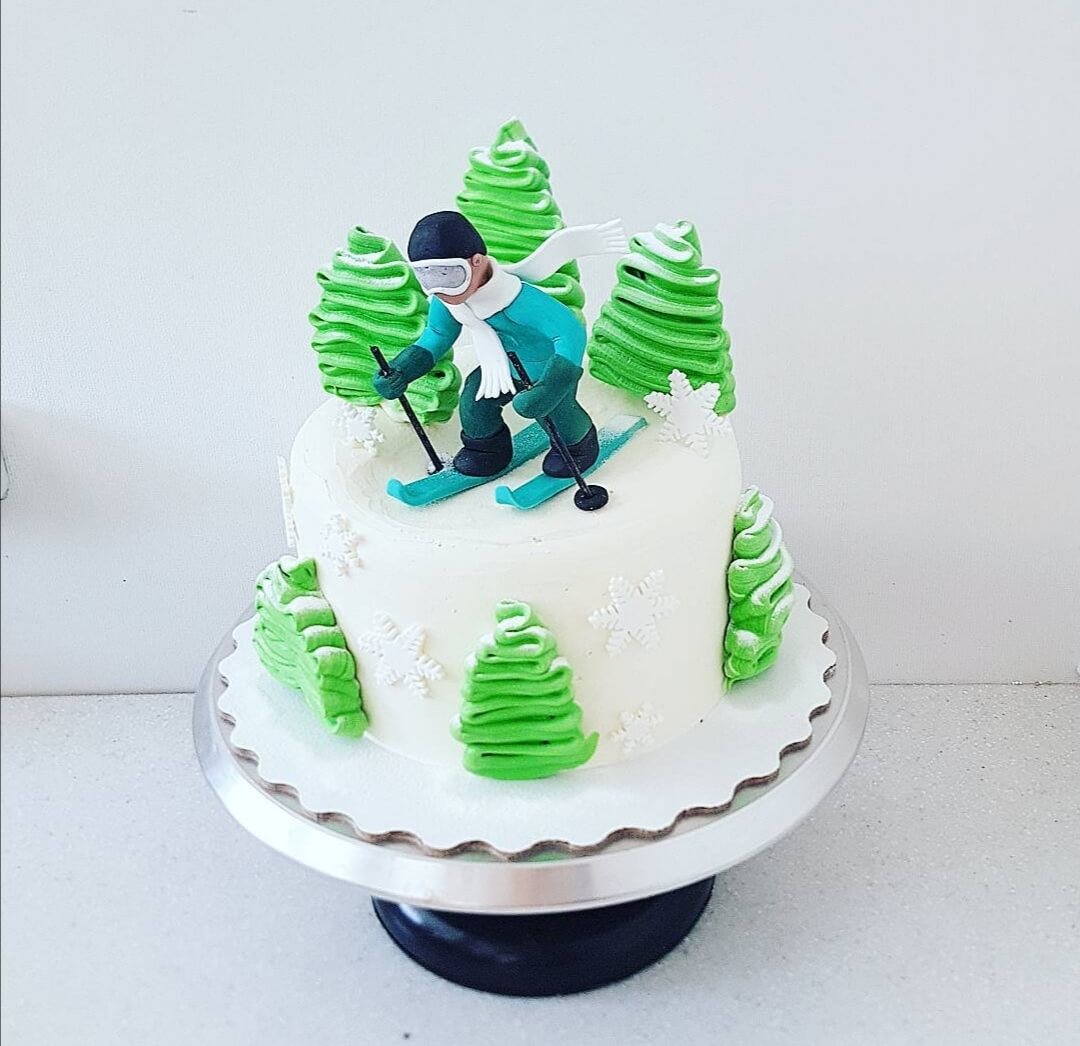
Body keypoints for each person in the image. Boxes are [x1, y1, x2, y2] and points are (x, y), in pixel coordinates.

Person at [374, 210, 624, 478]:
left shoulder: (518, 299)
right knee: (475, 402)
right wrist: (403, 369)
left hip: (546, 370)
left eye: (448, 275)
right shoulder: (448, 301)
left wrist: (552, 386)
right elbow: (437, 335)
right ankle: (487, 449)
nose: (440, 289)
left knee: (556, 411)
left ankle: (578, 447)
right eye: (428, 276)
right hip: (499, 369)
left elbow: (569, 332)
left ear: (476, 261)